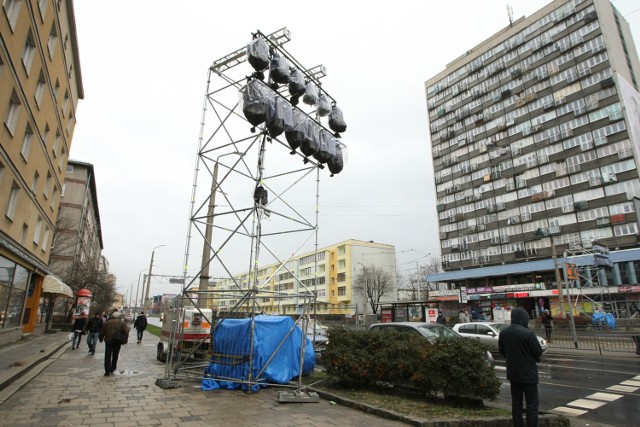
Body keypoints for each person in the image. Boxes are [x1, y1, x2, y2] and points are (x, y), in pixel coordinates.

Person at [498, 307, 544, 427]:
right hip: (529, 373)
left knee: (516, 403)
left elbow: (502, 351)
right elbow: (538, 351)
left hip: (513, 373)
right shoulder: (528, 333)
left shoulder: (504, 333)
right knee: (532, 404)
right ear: (524, 318)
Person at [99, 311, 129, 376]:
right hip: (117, 341)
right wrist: (125, 340)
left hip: (108, 340)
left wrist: (101, 338)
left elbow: (103, 331)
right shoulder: (121, 323)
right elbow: (126, 332)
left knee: (107, 355)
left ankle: (107, 370)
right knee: (115, 355)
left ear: (112, 316)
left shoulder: (108, 322)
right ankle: (113, 368)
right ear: (118, 316)